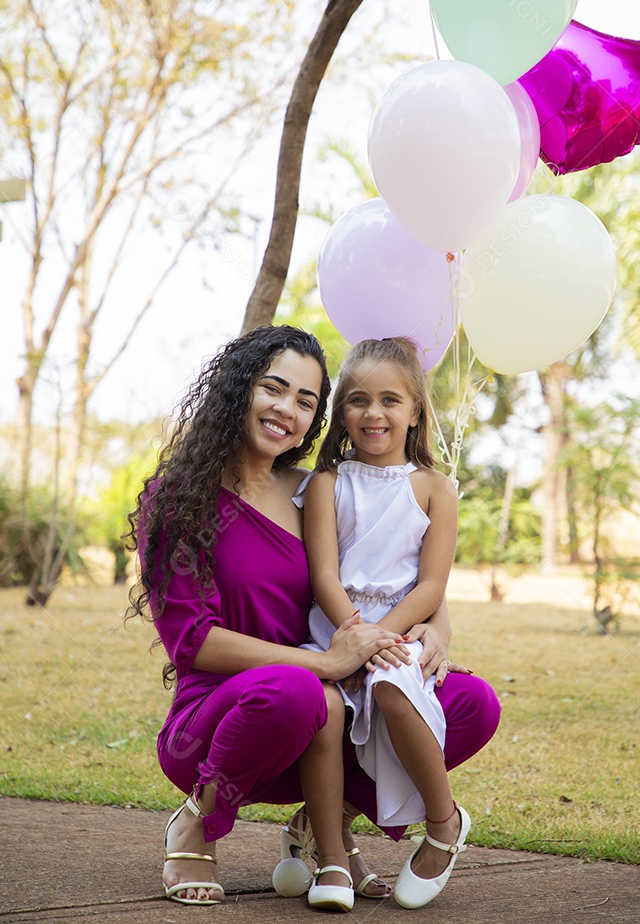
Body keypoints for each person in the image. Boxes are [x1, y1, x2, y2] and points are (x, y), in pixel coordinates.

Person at [126, 324, 501, 908]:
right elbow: (191, 642)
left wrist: (437, 627)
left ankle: (328, 824)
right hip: (223, 725)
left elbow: (396, 566)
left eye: (305, 401)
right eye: (273, 389)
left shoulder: (314, 490)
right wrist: (323, 661)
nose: (287, 410)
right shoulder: (180, 499)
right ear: (237, 389)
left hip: (328, 710)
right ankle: (198, 816)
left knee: (470, 705)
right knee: (300, 692)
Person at [294, 336, 474, 910]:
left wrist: (384, 639)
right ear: (341, 410)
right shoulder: (326, 483)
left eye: (391, 400)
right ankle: (331, 857)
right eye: (358, 400)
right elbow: (324, 575)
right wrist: (354, 635)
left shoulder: (436, 489)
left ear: (416, 410)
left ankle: (445, 824)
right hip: (336, 629)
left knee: (396, 690)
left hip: (401, 631)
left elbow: (431, 586)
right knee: (323, 712)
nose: (374, 413)